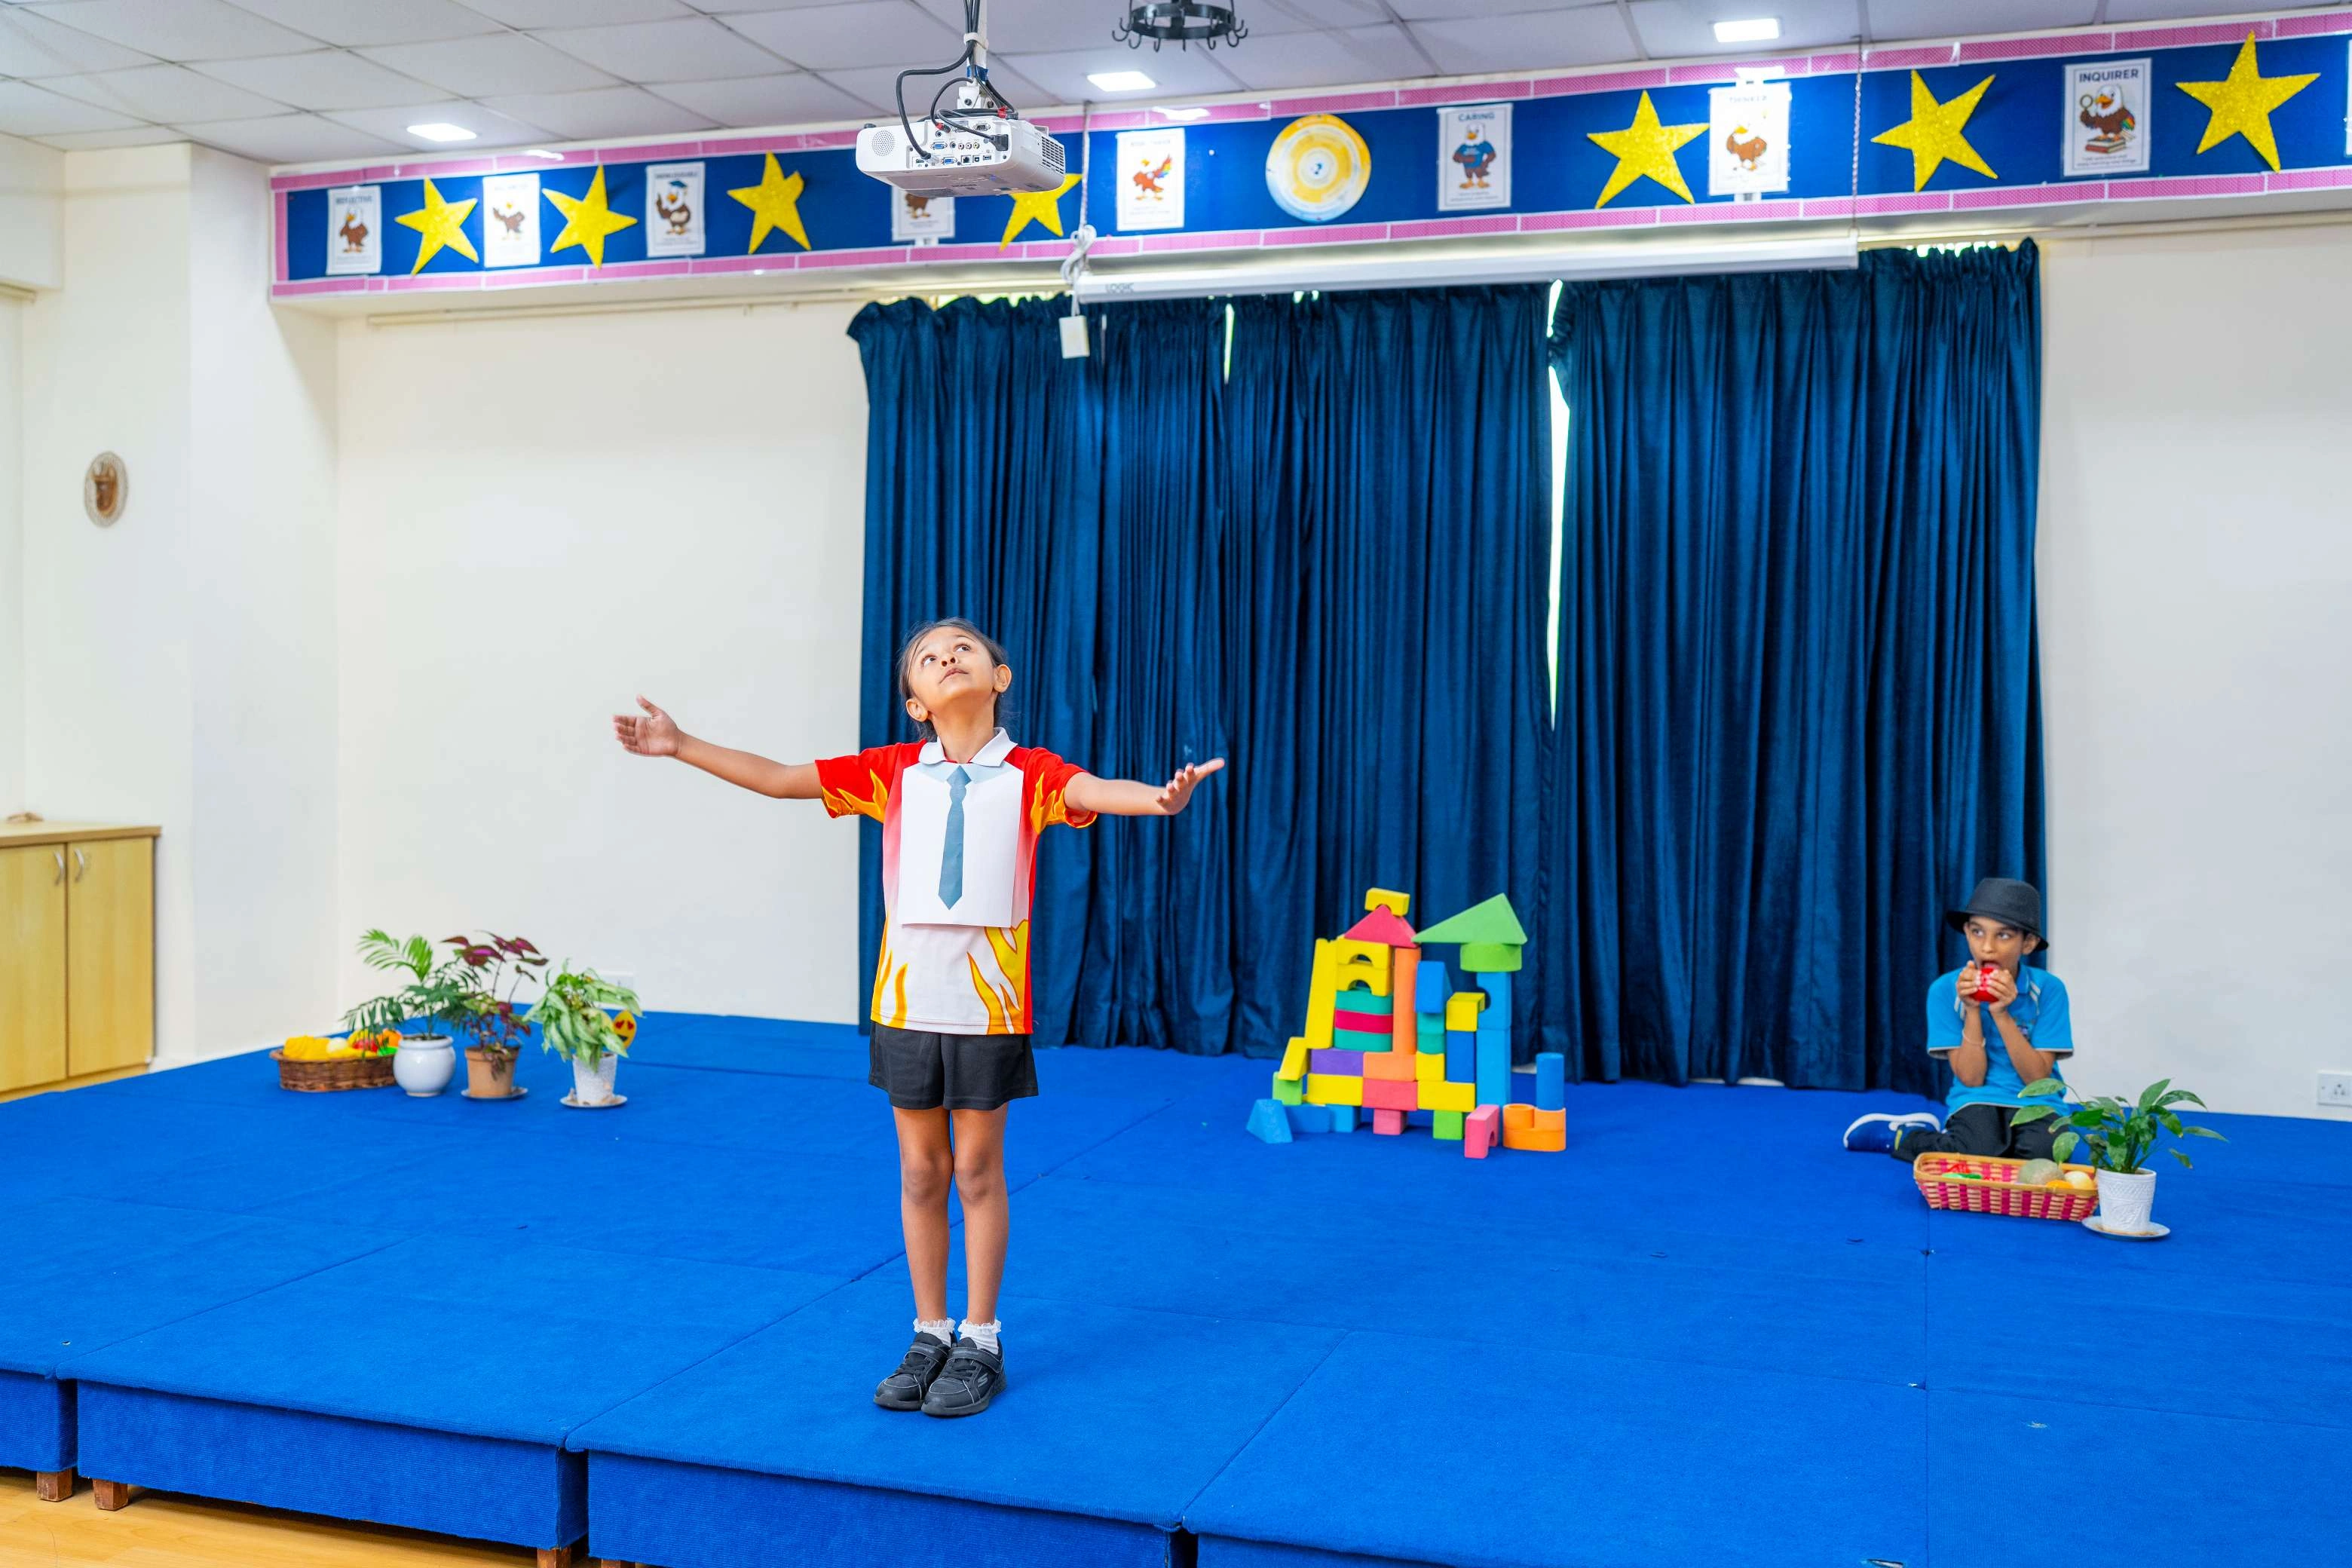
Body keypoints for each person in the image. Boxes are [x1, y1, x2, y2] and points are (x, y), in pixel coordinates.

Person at [612, 618, 1223, 1417]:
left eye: (963, 648)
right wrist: (680, 743)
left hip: (988, 1011)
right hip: (906, 1006)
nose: (947, 657)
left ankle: (982, 1338)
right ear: (915, 703)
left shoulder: (1031, 774)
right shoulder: (892, 772)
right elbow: (781, 778)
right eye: (929, 657)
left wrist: (1160, 800)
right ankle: (929, 1331)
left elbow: (1093, 791)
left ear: (1000, 677)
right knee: (921, 1171)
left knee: (978, 1172)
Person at [1842, 877, 2073, 1160]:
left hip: (2038, 1100)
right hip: (1977, 1097)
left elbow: (2037, 1078)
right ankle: (1906, 1135)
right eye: (1977, 932)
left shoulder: (2049, 990)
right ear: (1966, 931)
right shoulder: (1944, 991)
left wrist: (2001, 1014)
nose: (1987, 948)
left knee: (2045, 1157)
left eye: (2003, 936)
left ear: (2028, 943)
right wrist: (1972, 1009)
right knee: (1975, 1153)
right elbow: (1971, 1079)